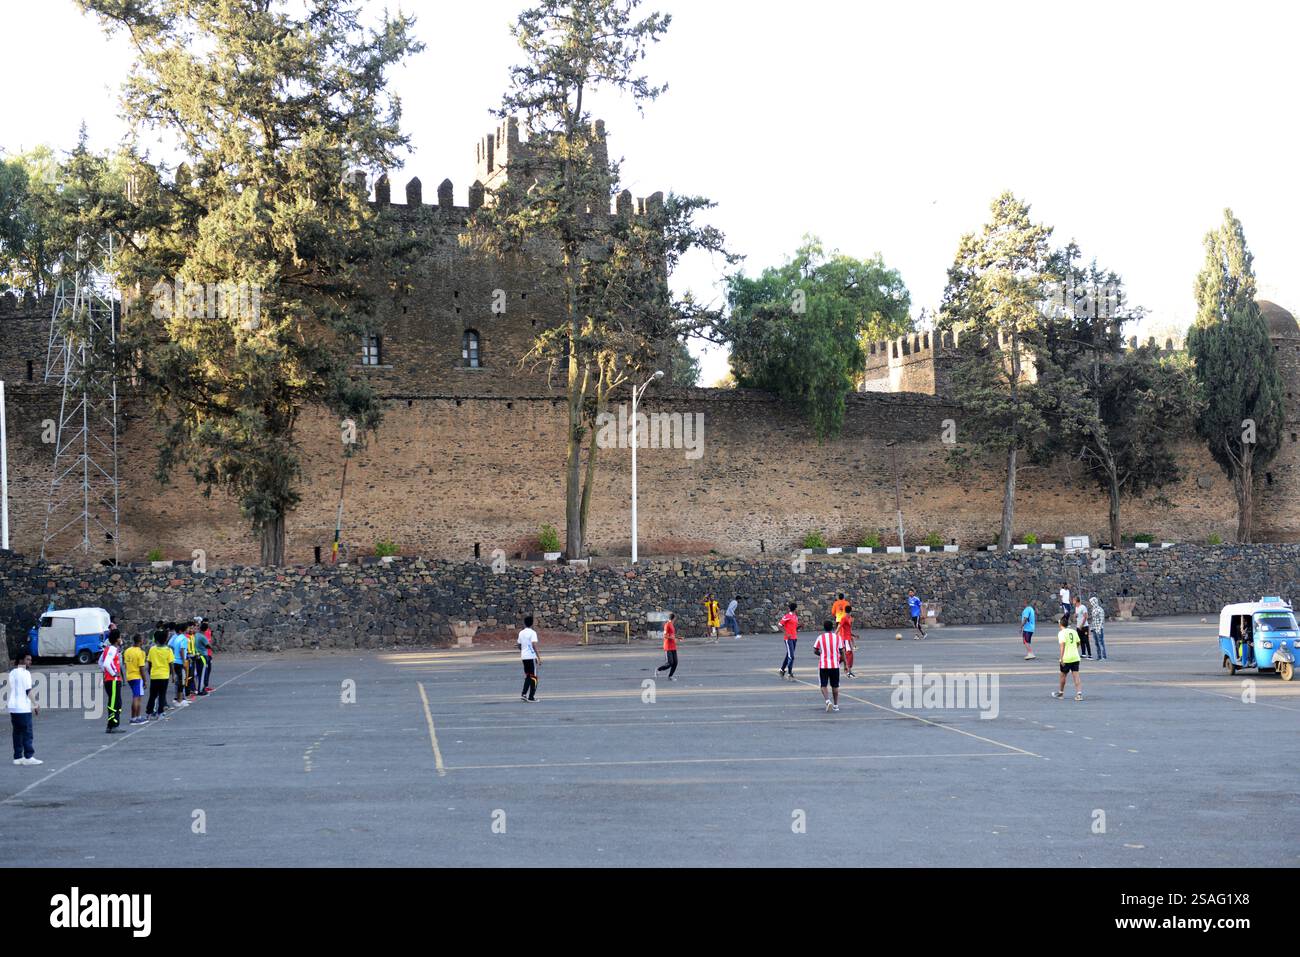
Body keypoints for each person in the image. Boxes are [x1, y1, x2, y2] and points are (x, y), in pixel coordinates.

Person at [8, 653, 41, 766]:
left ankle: (17, 757)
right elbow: (28, 690)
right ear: (21, 660)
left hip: (13, 706)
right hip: (22, 707)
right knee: (27, 733)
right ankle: (28, 756)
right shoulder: (25, 673)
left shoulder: (12, 672)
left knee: (17, 733)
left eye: (30, 660)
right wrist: (35, 704)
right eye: (28, 660)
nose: (30, 662)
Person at [813, 619, 846, 712]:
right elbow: (842, 651)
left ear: (824, 628)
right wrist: (845, 664)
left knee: (823, 684)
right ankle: (836, 705)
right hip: (835, 665)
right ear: (832, 628)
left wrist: (822, 654)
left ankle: (827, 701)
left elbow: (815, 650)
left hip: (824, 665)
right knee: (835, 686)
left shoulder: (820, 637)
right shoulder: (838, 637)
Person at [1052, 613, 1083, 701]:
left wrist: (1061, 658)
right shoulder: (1073, 631)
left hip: (1066, 657)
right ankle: (1079, 694)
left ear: (1060, 624)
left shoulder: (1061, 633)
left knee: (1063, 676)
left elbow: (1062, 645)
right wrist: (1074, 648)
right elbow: (1078, 642)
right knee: (1076, 676)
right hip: (1075, 657)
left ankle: (1061, 693)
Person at [98, 632, 123, 734]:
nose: (121, 639)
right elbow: (106, 663)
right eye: (120, 637)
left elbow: (100, 662)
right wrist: (113, 674)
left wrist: (106, 672)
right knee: (115, 703)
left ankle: (111, 725)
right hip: (113, 680)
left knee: (115, 702)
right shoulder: (112, 649)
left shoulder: (108, 649)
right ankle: (113, 725)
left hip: (109, 680)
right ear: (117, 639)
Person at [146, 633, 173, 719]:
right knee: (162, 695)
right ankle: (160, 713)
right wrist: (173, 675)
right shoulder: (168, 650)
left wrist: (150, 671)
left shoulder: (152, 649)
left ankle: (149, 713)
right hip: (164, 675)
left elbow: (149, 662)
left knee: (152, 695)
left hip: (154, 675)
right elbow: (171, 664)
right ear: (165, 640)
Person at [123, 635, 148, 724]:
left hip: (129, 676)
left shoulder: (127, 651)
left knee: (136, 696)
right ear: (140, 641)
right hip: (137, 677)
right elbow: (141, 668)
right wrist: (145, 680)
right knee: (137, 698)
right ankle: (135, 718)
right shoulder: (140, 652)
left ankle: (135, 717)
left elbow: (125, 664)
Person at [518, 615, 540, 702]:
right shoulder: (533, 633)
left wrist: (523, 649)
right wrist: (538, 657)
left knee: (528, 676)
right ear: (532, 623)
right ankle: (531, 696)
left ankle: (523, 694)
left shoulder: (521, 633)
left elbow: (519, 645)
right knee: (534, 677)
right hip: (531, 656)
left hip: (524, 657)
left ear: (525, 623)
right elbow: (534, 645)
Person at [168, 624, 190, 707]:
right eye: (186, 628)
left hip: (175, 660)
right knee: (181, 681)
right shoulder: (183, 638)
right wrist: (184, 661)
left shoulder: (177, 638)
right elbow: (182, 650)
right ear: (182, 630)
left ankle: (179, 698)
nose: (188, 629)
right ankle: (179, 700)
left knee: (179, 680)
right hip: (180, 661)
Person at [779, 603, 799, 680]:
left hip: (794, 638)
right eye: (797, 608)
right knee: (791, 656)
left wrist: (800, 626)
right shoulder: (787, 616)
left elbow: (794, 628)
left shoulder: (795, 617)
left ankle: (782, 669)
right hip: (788, 639)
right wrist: (786, 634)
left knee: (789, 655)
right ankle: (790, 673)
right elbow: (780, 625)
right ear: (795, 609)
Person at [657, 612, 679, 680]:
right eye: (675, 618)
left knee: (675, 662)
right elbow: (665, 635)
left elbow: (671, 635)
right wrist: (673, 638)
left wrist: (677, 638)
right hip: (668, 646)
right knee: (670, 663)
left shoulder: (672, 625)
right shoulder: (667, 625)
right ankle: (658, 669)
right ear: (673, 618)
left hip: (673, 646)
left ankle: (670, 676)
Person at [193, 622, 211, 696]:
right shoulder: (203, 637)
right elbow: (208, 646)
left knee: (198, 673)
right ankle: (200, 689)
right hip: (203, 655)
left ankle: (197, 688)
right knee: (203, 673)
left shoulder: (196, 635)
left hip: (197, 655)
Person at [839, 604, 856, 678]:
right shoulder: (844, 618)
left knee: (844, 656)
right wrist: (834, 635)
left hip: (847, 638)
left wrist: (853, 636)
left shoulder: (848, 618)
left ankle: (832, 667)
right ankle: (849, 672)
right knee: (849, 655)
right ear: (850, 611)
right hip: (845, 639)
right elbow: (839, 626)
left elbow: (848, 630)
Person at [1089, 596, 1108, 661]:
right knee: (1096, 643)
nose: (1091, 603)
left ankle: (1104, 656)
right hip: (1094, 628)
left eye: (1092, 602)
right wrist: (1092, 627)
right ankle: (1099, 656)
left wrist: (1099, 628)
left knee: (1101, 642)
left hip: (1099, 628)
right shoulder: (1093, 609)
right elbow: (1093, 620)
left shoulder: (1100, 609)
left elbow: (1102, 620)